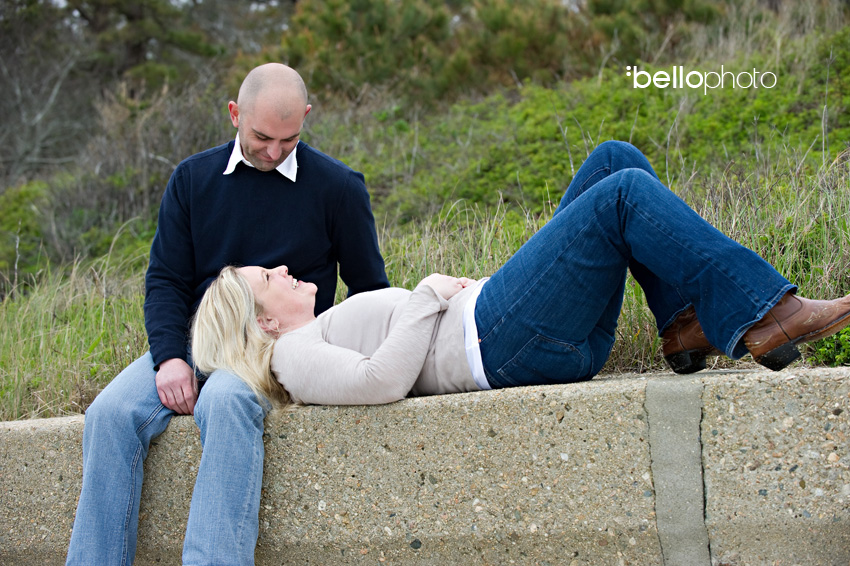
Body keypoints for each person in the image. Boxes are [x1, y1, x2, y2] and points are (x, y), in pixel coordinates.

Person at [191, 141, 850, 407]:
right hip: (501, 344)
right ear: (264, 322)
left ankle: (685, 323)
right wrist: (425, 296)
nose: (281, 268)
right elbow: (379, 382)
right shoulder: (293, 356)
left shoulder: (314, 334)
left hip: (501, 326)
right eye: (265, 278)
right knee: (620, 193)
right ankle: (762, 312)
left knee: (611, 161)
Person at [66, 63, 389, 565]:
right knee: (108, 416)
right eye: (262, 136)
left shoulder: (339, 187)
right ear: (235, 114)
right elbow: (167, 281)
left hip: (273, 348)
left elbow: (370, 290)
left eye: (290, 138)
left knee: (223, 401)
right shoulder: (192, 179)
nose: (275, 152)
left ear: (305, 117)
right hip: (201, 339)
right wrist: (171, 358)